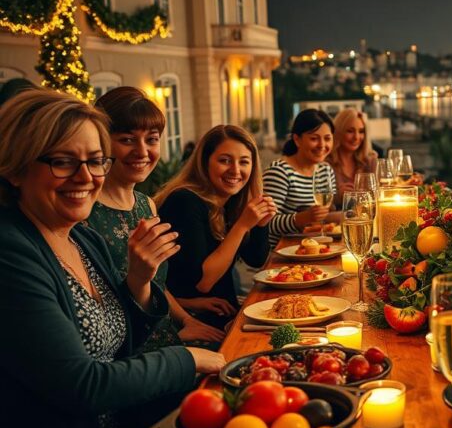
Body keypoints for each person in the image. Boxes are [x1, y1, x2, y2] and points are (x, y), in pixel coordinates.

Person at [0, 89, 224, 428]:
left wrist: (139, 279)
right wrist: (188, 358)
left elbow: (123, 344)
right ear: (15, 169)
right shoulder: (11, 251)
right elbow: (83, 386)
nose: (85, 177)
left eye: (95, 160)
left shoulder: (80, 237)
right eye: (63, 161)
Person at [87, 87, 224, 347]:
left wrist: (186, 319)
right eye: (127, 139)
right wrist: (174, 337)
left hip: (167, 327)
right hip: (133, 347)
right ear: (102, 142)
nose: (142, 151)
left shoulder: (145, 204)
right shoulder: (84, 212)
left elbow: (156, 284)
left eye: (151, 139)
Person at [155, 125, 276, 326]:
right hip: (187, 319)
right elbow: (203, 283)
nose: (235, 170)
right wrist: (242, 226)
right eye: (224, 160)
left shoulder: (232, 201)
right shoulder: (185, 201)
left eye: (244, 162)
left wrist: (260, 224)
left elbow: (255, 259)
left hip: (224, 309)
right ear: (205, 162)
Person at [264, 109, 338, 245]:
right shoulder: (279, 172)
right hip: (281, 251)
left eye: (327, 138)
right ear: (297, 140)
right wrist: (301, 218)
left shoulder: (325, 170)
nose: (322, 145)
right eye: (314, 139)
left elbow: (323, 216)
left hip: (314, 246)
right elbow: (265, 224)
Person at [329, 108, 378, 196]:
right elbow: (319, 199)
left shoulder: (370, 160)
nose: (356, 137)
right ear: (338, 132)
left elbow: (378, 194)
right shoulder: (327, 163)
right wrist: (338, 196)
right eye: (350, 131)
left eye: (361, 131)